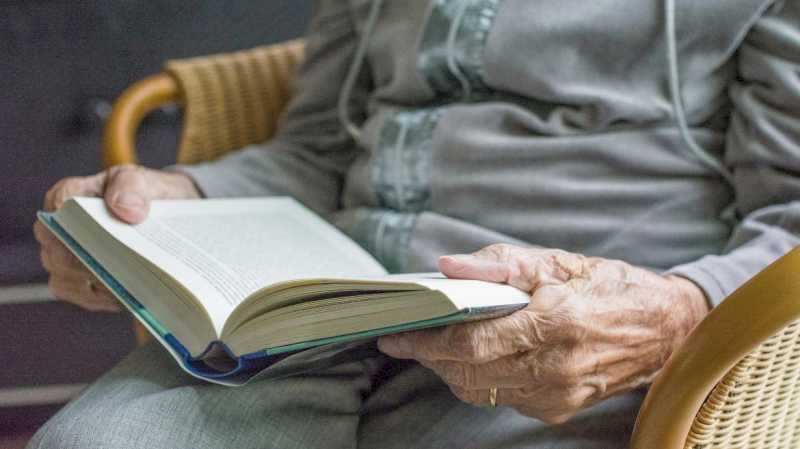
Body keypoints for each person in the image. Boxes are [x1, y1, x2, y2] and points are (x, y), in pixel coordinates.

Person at [29, 0, 799, 448]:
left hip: (559, 350)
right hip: (326, 312)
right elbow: (320, 148)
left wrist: (676, 314)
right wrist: (179, 194)